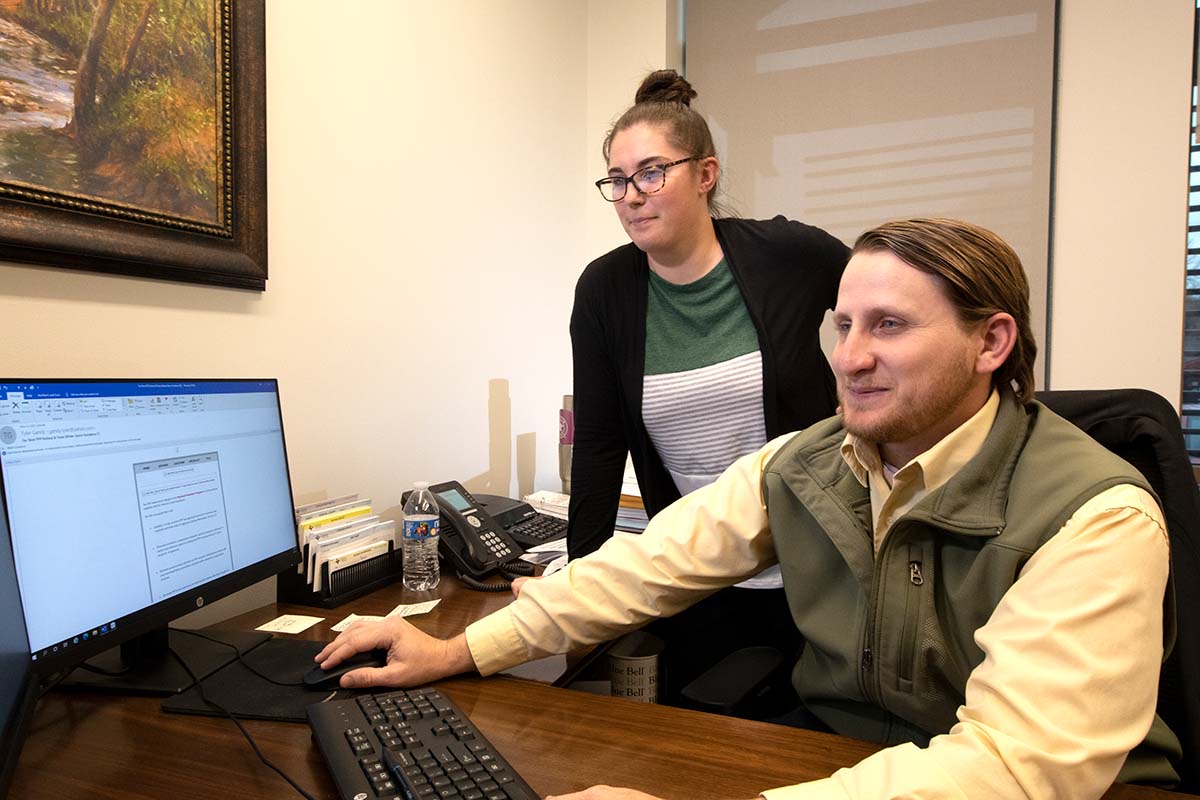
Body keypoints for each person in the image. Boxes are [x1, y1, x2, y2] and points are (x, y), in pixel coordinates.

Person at [316, 218, 1181, 799]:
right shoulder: (805, 462)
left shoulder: (1098, 515)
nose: (850, 358)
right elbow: (650, 564)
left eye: (889, 327)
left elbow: (1013, 768)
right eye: (841, 327)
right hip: (844, 769)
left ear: (990, 342)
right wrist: (458, 648)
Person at [568, 68, 849, 697]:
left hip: (817, 571)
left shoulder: (788, 255)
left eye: (650, 172)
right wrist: (579, 584)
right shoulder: (605, 291)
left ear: (705, 174)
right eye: (617, 180)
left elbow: (890, 314)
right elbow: (599, 447)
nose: (631, 195)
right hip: (696, 575)